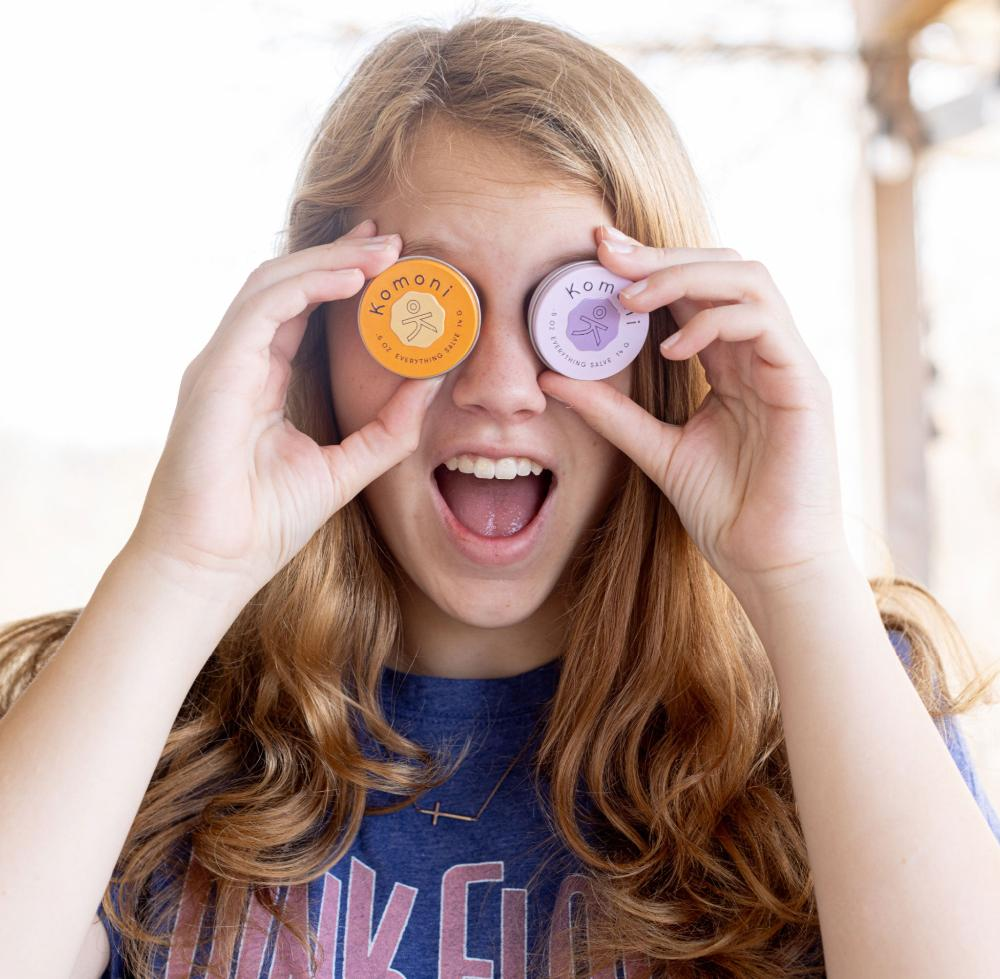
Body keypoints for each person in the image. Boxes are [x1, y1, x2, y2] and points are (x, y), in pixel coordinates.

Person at [2, 13, 999, 979]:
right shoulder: (128, 715)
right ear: (311, 340)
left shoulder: (832, 706)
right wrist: (181, 568)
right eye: (428, 311)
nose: (500, 387)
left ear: (662, 348)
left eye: (580, 308)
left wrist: (799, 573)